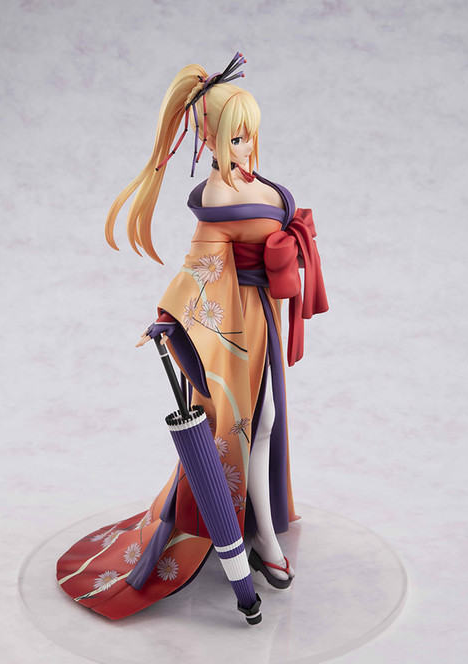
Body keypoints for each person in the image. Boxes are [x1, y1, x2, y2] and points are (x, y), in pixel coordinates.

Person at [56, 53, 328, 624]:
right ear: (209, 139)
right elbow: (200, 268)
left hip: (264, 315)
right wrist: (170, 316)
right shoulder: (217, 198)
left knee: (268, 422)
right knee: (252, 424)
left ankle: (260, 532)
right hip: (240, 323)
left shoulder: (248, 181)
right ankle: (263, 544)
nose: (245, 150)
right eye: (235, 140)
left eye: (249, 137)